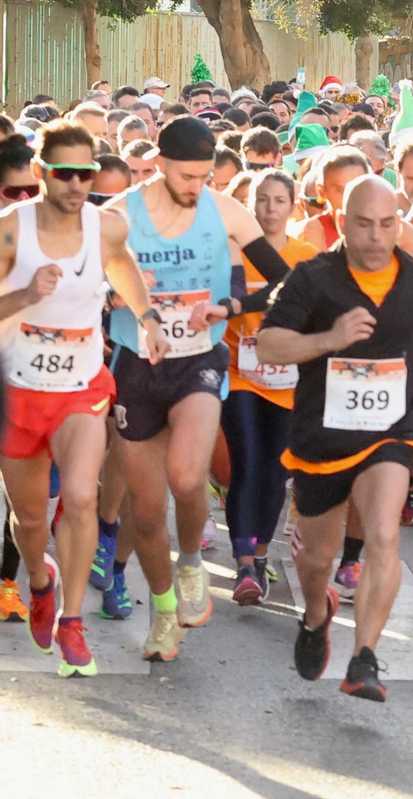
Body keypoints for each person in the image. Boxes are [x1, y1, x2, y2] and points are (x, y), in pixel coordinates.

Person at [258, 175, 413, 702]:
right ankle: (315, 613)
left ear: (400, 224)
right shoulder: (312, 278)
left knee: (384, 537)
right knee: (316, 559)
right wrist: (330, 339)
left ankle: (364, 658)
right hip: (321, 437)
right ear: (341, 223)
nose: (375, 236)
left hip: (389, 432)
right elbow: (269, 345)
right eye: (363, 224)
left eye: (387, 224)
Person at [105, 117, 293, 662]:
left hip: (199, 361)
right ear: (161, 164)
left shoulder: (224, 208)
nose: (195, 187)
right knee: (144, 509)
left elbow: (283, 279)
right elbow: (90, 271)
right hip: (136, 366)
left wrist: (231, 307)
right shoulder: (120, 214)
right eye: (186, 176)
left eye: (204, 176)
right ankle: (164, 612)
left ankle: (191, 563)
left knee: (188, 476)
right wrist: (125, 304)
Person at [0, 119, 168, 676]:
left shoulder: (107, 227)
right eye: (65, 174)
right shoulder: (10, 232)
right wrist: (25, 294)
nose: (77, 184)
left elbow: (123, 268)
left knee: (80, 496)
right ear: (43, 173)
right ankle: (41, 582)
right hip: (19, 392)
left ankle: (73, 621)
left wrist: (146, 318)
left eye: (86, 173)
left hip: (81, 388)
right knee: (27, 519)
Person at [220, 171, 318, 606]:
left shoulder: (306, 256)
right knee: (247, 464)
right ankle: (243, 563)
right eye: (262, 200)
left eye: (280, 200)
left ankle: (260, 555)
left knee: (276, 472)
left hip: (287, 378)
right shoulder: (233, 250)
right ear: (249, 206)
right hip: (240, 370)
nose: (270, 209)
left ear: (293, 206)